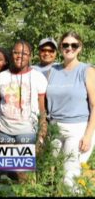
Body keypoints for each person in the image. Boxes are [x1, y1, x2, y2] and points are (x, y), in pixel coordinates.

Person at [0, 40, 48, 182]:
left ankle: (28, 191)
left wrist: (41, 135)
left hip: (27, 131)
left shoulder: (38, 77)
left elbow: (42, 109)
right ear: (11, 54)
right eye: (16, 52)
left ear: (30, 56)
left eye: (24, 53)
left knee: (23, 172)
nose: (19, 56)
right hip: (4, 131)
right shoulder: (2, 77)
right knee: (7, 171)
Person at [46, 31, 95, 191]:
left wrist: (88, 135)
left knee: (70, 177)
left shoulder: (86, 70)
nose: (69, 48)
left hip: (77, 128)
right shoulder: (52, 70)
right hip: (54, 128)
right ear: (60, 47)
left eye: (74, 45)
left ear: (79, 48)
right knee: (51, 175)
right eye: (65, 45)